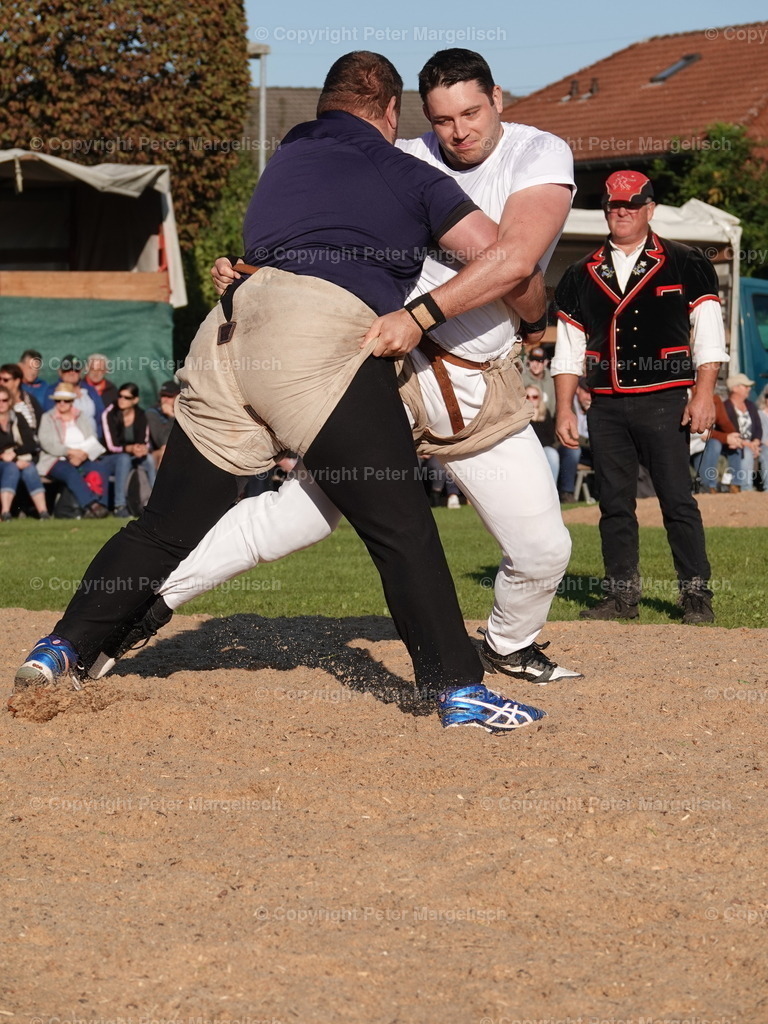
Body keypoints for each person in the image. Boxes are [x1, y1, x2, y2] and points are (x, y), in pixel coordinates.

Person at [16, 50, 562, 733]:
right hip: (317, 337)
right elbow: (505, 264)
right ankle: (458, 688)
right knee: (401, 526)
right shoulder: (408, 172)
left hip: (229, 331)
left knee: (164, 524)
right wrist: (532, 297)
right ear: (391, 113)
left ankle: (62, 645)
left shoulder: (288, 156)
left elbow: (269, 251)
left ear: (325, 107)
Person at [553, 170, 729, 624]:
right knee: (613, 503)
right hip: (606, 402)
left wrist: (703, 393)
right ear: (605, 210)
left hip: (666, 397)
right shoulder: (580, 272)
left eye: (632, 205)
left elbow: (708, 334)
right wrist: (565, 407)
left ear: (650, 208)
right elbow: (569, 348)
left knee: (677, 501)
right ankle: (621, 597)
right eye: (614, 205)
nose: (622, 212)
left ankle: (696, 597)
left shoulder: (687, 260)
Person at [37, 382, 110, 519]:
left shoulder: (80, 416)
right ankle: (91, 505)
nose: (62, 403)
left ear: (72, 401)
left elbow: (92, 437)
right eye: (59, 400)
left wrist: (83, 455)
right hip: (56, 459)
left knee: (101, 468)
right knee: (70, 472)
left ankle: (102, 504)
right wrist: (69, 452)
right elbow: (47, 443)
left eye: (66, 400)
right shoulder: (47, 418)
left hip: (82, 456)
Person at [101, 383, 157, 517]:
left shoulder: (141, 415)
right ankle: (119, 506)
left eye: (126, 397)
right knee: (124, 459)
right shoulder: (109, 413)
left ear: (135, 400)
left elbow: (145, 441)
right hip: (110, 457)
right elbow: (111, 446)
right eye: (120, 396)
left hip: (133, 454)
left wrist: (142, 449)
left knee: (149, 459)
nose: (121, 399)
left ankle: (156, 502)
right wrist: (130, 448)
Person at [0, 385, 50, 521]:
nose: (1, 404)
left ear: (10, 401)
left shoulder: (17, 417)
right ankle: (5, 512)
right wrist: (10, 458)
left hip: (17, 458)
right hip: (4, 462)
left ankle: (43, 512)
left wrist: (14, 455)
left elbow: (31, 443)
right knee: (11, 468)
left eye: (4, 400)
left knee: (29, 469)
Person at [722, 373, 762, 492]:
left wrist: (756, 441)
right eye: (745, 386)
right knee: (747, 452)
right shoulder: (725, 407)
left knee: (764, 453)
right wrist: (748, 444)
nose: (749, 388)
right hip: (734, 444)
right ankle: (746, 489)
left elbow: (758, 427)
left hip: (752, 444)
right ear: (734, 388)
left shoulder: (750, 405)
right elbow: (727, 431)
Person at [694, 392, 740, 493]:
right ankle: (710, 486)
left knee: (735, 445)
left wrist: (735, 437)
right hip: (695, 444)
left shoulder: (715, 398)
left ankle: (735, 484)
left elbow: (724, 422)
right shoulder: (692, 396)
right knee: (715, 444)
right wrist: (726, 438)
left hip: (709, 438)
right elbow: (700, 432)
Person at [55, 354, 104, 430]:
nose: (72, 373)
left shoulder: (90, 390)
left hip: (92, 438)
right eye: (67, 370)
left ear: (80, 372)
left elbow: (100, 416)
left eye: (76, 370)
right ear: (60, 372)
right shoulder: (53, 391)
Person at [525, 384, 559, 483]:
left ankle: (553, 491)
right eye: (527, 396)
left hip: (543, 448)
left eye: (535, 397)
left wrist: (536, 420)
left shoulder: (546, 413)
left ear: (540, 398)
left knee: (552, 454)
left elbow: (549, 439)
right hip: (526, 449)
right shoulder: (519, 415)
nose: (531, 399)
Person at [145, 380, 180, 468]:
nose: (165, 399)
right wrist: (172, 417)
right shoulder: (152, 413)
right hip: (155, 454)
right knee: (165, 450)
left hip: (179, 450)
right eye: (163, 395)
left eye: (169, 396)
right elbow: (161, 441)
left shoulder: (183, 412)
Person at [0, 363, 43, 431]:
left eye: (5, 380)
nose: (1, 383)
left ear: (17, 381)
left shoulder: (30, 400)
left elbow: (40, 421)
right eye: (0, 379)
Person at [521, 346, 556, 411]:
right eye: (532, 360)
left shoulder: (552, 381)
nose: (535, 364)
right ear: (528, 361)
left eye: (540, 361)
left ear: (545, 362)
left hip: (548, 419)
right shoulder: (521, 380)